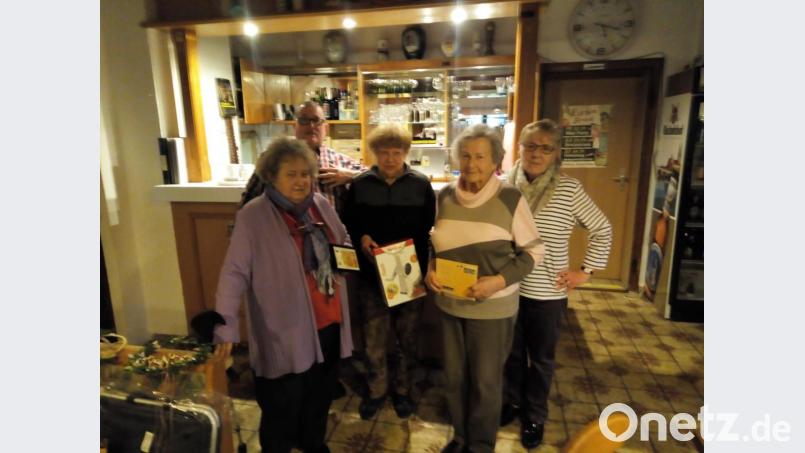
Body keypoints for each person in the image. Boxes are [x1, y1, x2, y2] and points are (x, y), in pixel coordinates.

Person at [213, 137, 354, 453]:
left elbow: (343, 241)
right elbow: (233, 272)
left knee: (319, 398)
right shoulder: (254, 215)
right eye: (292, 174)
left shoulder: (320, 205)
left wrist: (355, 255)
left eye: (306, 173)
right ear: (272, 176)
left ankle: (313, 444)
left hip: (328, 321)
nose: (302, 181)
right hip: (284, 331)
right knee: (282, 406)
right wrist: (225, 326)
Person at [425, 124, 545, 453]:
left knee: (485, 383)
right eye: (465, 155)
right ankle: (461, 437)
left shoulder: (509, 197)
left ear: (495, 161)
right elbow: (437, 243)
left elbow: (534, 251)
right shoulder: (446, 196)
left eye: (480, 156)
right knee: (454, 379)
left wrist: (498, 281)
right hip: (450, 304)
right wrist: (431, 268)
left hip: (493, 310)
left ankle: (480, 446)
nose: (471, 163)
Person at [501, 119, 612, 449]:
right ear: (519, 149)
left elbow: (602, 229)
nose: (536, 153)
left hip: (547, 292)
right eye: (530, 146)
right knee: (511, 355)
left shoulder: (569, 189)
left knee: (542, 360)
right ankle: (514, 403)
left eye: (545, 147)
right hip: (506, 288)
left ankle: (535, 414)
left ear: (556, 153)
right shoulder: (504, 186)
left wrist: (586, 272)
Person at [342, 124, 436, 420]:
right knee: (374, 337)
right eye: (385, 153)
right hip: (372, 275)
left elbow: (428, 228)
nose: (391, 159)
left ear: (406, 153)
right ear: (375, 153)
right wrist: (362, 238)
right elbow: (350, 224)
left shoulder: (421, 184)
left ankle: (403, 390)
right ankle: (376, 390)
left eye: (397, 152)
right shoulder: (359, 184)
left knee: (407, 338)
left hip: (409, 273)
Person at [239, 100, 363, 211]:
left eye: (316, 120)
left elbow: (376, 178)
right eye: (304, 120)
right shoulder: (273, 159)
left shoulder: (340, 162)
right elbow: (247, 206)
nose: (311, 126)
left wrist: (352, 176)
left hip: (332, 234)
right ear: (294, 126)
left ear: (326, 128)